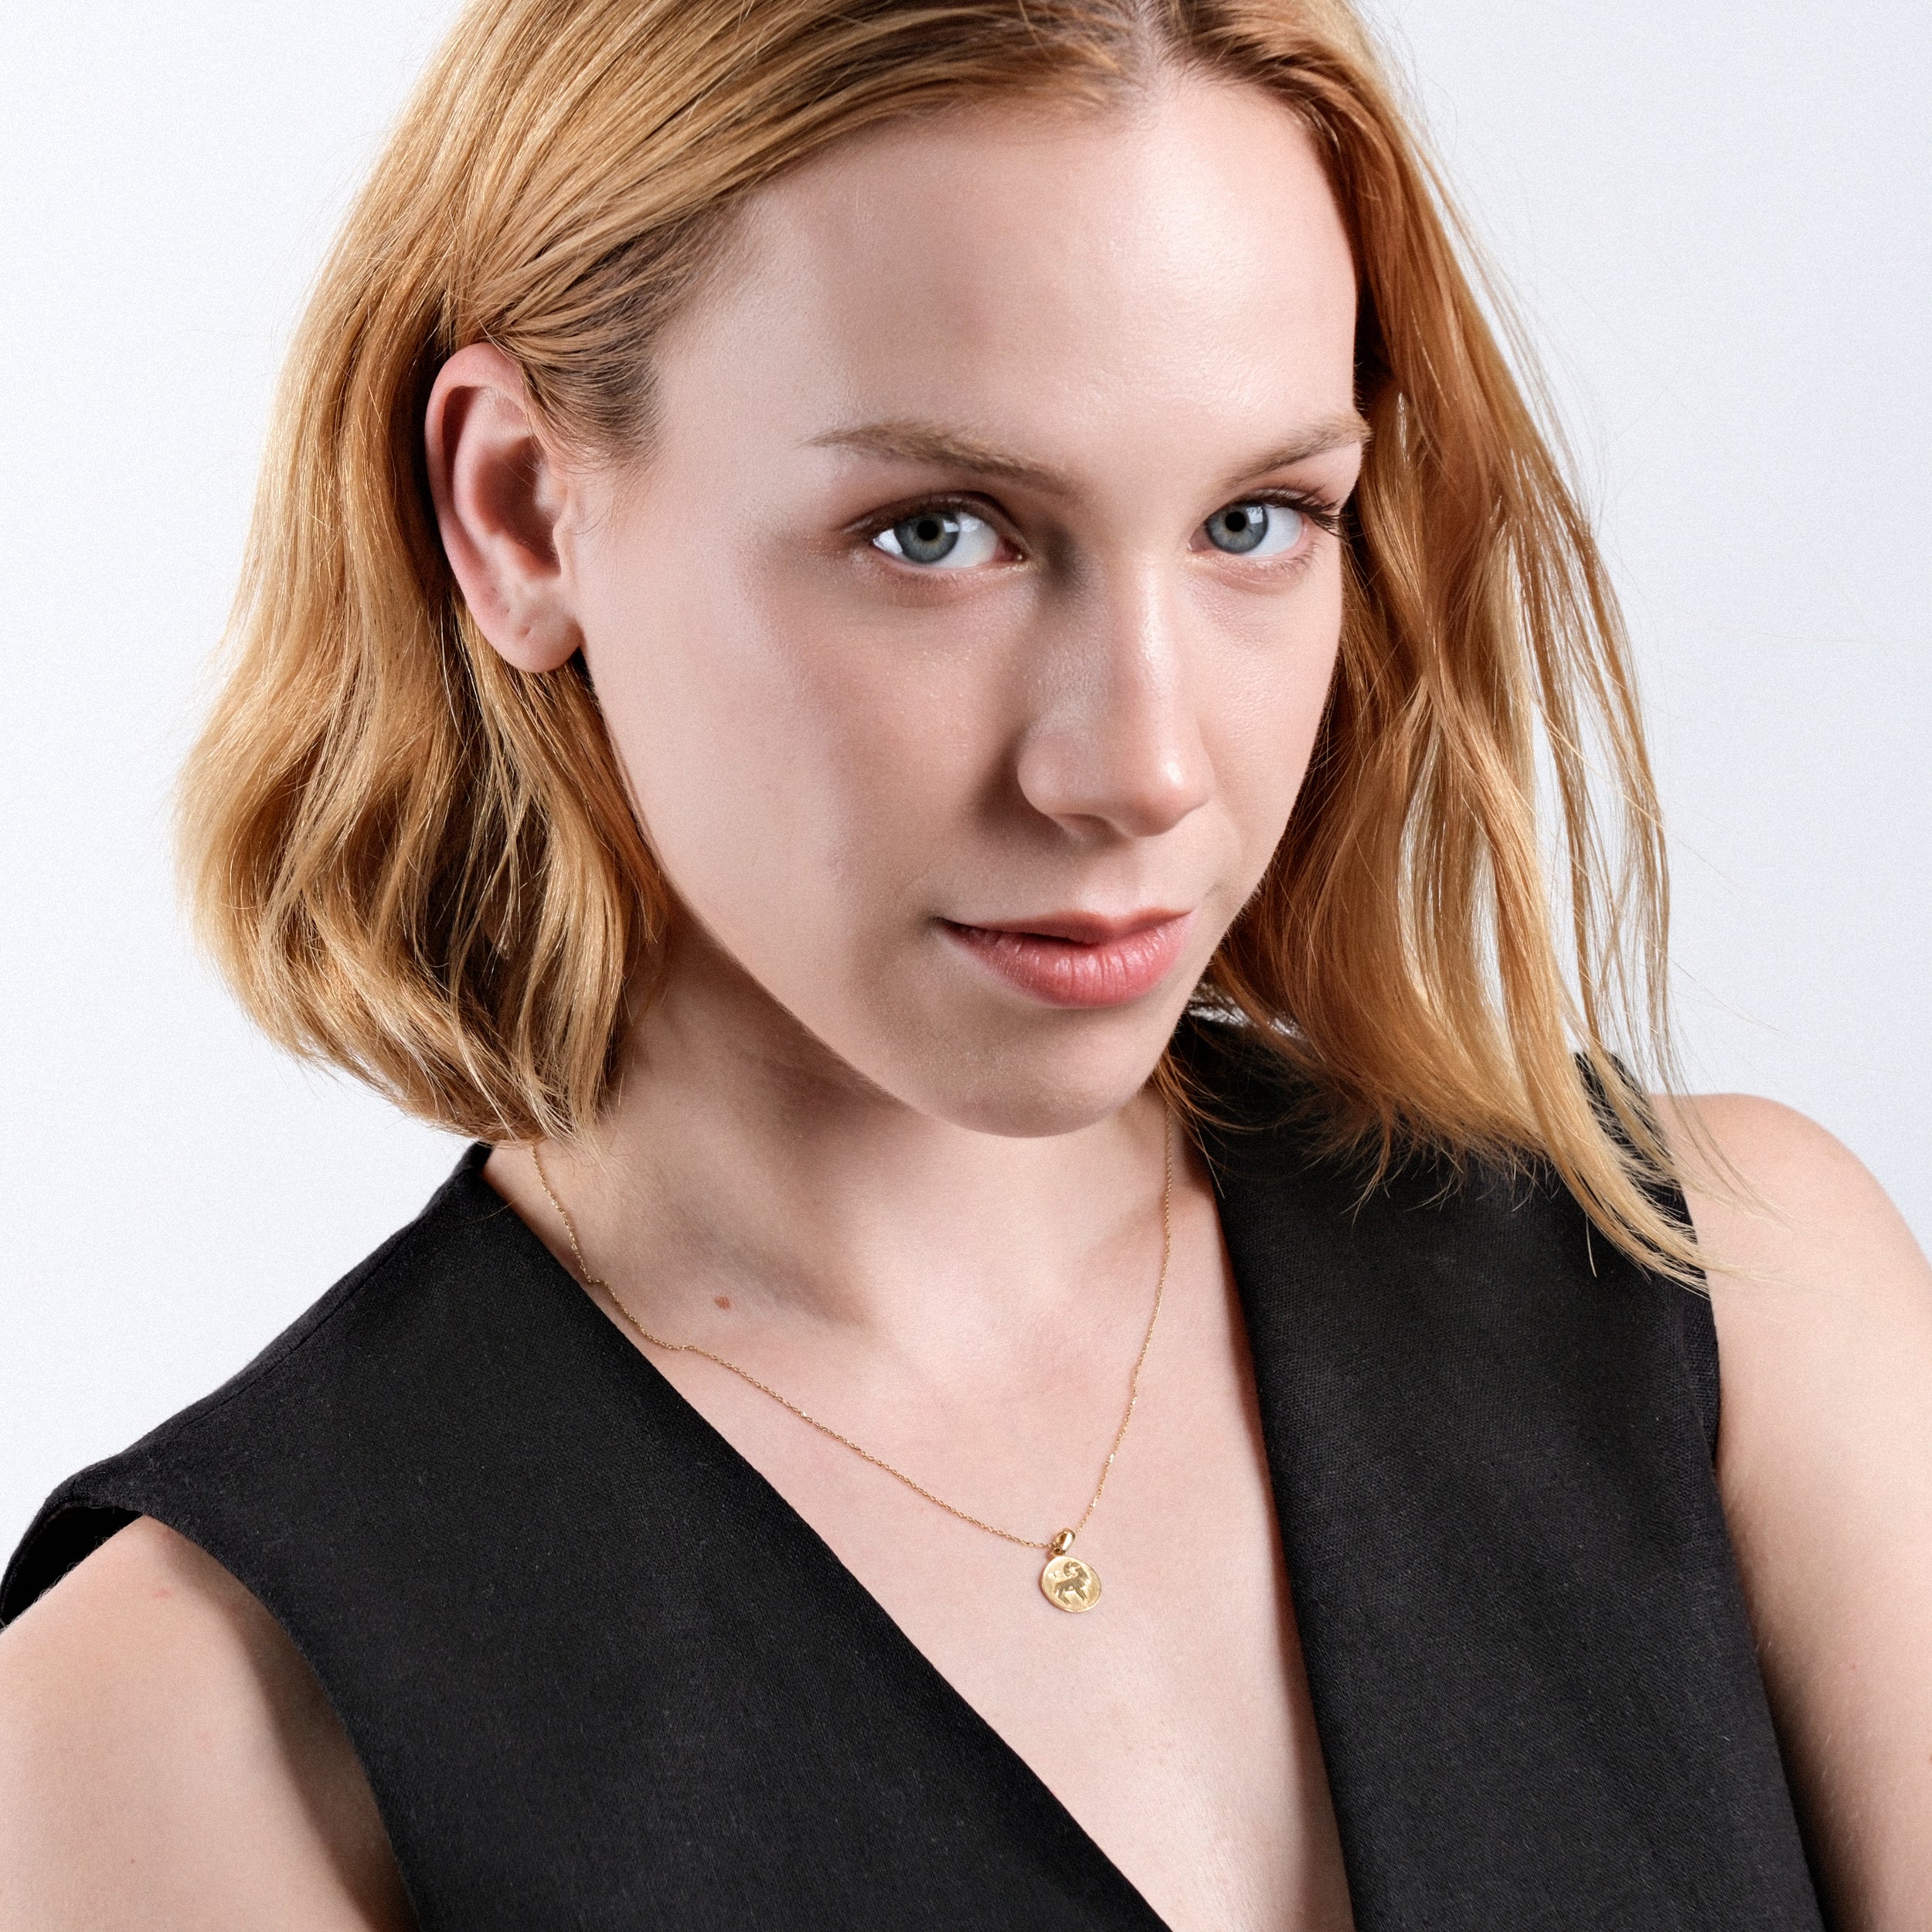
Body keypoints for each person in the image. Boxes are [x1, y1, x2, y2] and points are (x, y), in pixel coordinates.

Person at [1, 1, 1927, 1926]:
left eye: (1256, 521)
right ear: (516, 508)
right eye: (937, 533)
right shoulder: (172, 1726)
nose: (1144, 765)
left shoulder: (1730, 1310)